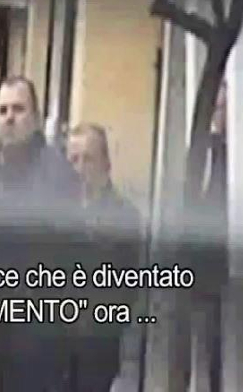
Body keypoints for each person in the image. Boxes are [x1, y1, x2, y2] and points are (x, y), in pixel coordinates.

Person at [0, 75, 80, 392]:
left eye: (18, 109)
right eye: (2, 111)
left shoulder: (58, 177)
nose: (9, 118)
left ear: (36, 118)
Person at [67, 123, 144, 392]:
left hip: (97, 345)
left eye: (87, 159)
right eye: (73, 160)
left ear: (106, 163)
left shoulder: (124, 217)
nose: (79, 168)